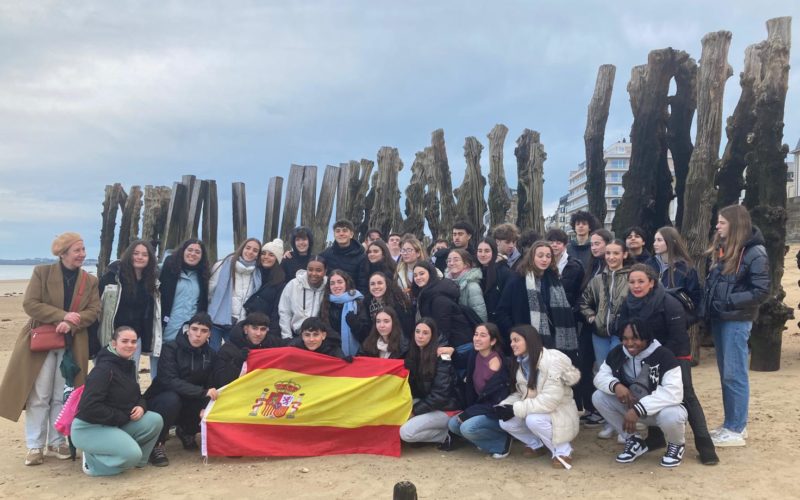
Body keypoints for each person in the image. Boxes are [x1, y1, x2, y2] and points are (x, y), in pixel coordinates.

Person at [0, 232, 101, 466]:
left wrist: (71, 323)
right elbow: (30, 304)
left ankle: (56, 442)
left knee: (61, 395)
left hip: (73, 343)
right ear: (63, 253)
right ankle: (34, 446)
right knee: (39, 395)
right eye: (77, 250)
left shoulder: (90, 280)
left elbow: (94, 311)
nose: (82, 254)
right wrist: (62, 317)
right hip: (41, 342)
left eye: (83, 250)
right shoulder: (42, 273)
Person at [616, 264, 719, 465]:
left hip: (676, 353)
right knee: (649, 392)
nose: (636, 286)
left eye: (641, 281)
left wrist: (658, 358)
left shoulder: (669, 303)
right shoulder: (628, 303)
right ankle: (656, 438)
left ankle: (705, 446)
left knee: (687, 395)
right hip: (646, 354)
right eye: (632, 282)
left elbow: (678, 337)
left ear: (652, 283)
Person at [702, 205, 770, 447]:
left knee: (735, 373)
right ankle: (731, 423)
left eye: (721, 222)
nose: (717, 226)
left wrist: (729, 301)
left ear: (735, 223)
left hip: (737, 320)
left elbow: (761, 290)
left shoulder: (755, 252)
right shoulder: (724, 250)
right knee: (726, 374)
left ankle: (737, 428)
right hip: (721, 318)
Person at [592, 319, 687, 467]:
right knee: (598, 397)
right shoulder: (617, 353)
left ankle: (676, 445)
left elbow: (674, 392)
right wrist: (615, 385)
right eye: (625, 338)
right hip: (632, 408)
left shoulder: (664, 355)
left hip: (657, 412)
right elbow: (600, 377)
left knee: (673, 414)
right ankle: (633, 440)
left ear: (647, 338)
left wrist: (638, 409)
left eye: (635, 338)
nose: (629, 343)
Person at [71, 326, 164, 476]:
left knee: (155, 420)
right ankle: (92, 462)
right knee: (132, 454)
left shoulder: (127, 365)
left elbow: (136, 396)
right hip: (89, 428)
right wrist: (122, 417)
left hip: (112, 422)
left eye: (133, 342)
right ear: (114, 343)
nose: (130, 345)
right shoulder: (103, 370)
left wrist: (141, 406)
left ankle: (137, 462)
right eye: (125, 341)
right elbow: (89, 407)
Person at [496, 325, 580, 468]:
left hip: (559, 411)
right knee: (505, 421)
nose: (512, 344)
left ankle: (563, 450)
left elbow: (550, 401)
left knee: (533, 420)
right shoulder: (522, 363)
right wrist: (505, 405)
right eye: (511, 341)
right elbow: (523, 393)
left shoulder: (553, 361)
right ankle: (537, 444)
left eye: (516, 340)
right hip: (538, 408)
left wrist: (515, 409)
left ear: (529, 340)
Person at [145, 313, 218, 466]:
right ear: (188, 329)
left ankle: (187, 431)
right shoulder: (170, 348)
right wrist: (201, 392)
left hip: (190, 399)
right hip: (161, 400)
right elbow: (169, 380)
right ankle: (156, 444)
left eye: (203, 331)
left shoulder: (211, 354)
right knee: (173, 398)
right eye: (195, 329)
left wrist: (207, 402)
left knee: (210, 398)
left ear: (209, 334)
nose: (198, 335)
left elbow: (211, 384)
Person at [579, 238, 631, 440]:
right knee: (602, 375)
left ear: (624, 255)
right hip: (599, 334)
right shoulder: (598, 279)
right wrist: (592, 317)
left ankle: (627, 423)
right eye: (608, 253)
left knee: (622, 376)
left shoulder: (631, 277)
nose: (611, 257)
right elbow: (584, 302)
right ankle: (610, 421)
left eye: (616, 253)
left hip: (622, 336)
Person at [496, 241, 579, 358]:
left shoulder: (554, 279)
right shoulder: (518, 280)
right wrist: (516, 333)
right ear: (532, 257)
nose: (544, 259)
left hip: (555, 342)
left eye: (548, 256)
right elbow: (502, 312)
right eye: (540, 256)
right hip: (526, 340)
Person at [444, 323, 510, 457]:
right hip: (480, 407)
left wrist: (468, 413)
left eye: (483, 335)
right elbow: (460, 361)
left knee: (467, 428)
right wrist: (451, 352)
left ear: (493, 341)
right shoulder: (476, 353)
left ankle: (502, 443)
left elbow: (496, 402)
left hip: (496, 412)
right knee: (453, 424)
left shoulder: (497, 364)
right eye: (476, 334)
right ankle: (487, 440)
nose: (477, 338)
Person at [97, 240, 162, 375]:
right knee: (107, 375)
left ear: (150, 259)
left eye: (144, 255)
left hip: (134, 337)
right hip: (112, 334)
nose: (140, 257)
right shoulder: (112, 277)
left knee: (130, 375)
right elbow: (98, 306)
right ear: (128, 255)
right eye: (136, 253)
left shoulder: (152, 282)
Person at [399, 318, 461, 447]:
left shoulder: (443, 356)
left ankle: (448, 435)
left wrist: (414, 412)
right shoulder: (413, 353)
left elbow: (440, 395)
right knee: (399, 414)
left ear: (433, 335)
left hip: (446, 408)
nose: (420, 336)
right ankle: (425, 434)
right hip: (429, 404)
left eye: (425, 333)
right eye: (418, 331)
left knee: (406, 433)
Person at [157, 239, 209, 379]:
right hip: (166, 326)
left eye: (197, 252)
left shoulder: (202, 275)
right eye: (190, 250)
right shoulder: (167, 268)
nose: (193, 254)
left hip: (189, 331)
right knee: (160, 371)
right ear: (182, 251)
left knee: (182, 372)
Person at [207, 238, 262, 351]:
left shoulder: (257, 273)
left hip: (238, 323)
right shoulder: (223, 265)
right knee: (212, 354)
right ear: (242, 248)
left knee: (231, 356)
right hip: (216, 320)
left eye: (255, 250)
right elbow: (210, 290)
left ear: (258, 254)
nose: (250, 252)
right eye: (248, 248)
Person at [412, 261, 473, 350]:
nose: (418, 277)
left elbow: (442, 328)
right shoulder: (426, 293)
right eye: (415, 275)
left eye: (422, 274)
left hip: (457, 345)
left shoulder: (439, 298)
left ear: (431, 274)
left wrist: (437, 349)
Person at [211, 312, 282, 388]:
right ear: (246, 329)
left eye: (263, 329)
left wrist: (295, 342)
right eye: (254, 328)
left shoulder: (270, 341)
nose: (258, 333)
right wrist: (237, 362)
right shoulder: (227, 349)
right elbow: (220, 381)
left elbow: (287, 344)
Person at [647, 226, 702, 320]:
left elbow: (694, 299)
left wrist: (684, 319)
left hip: (675, 320)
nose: (655, 243)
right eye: (655, 240)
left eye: (659, 240)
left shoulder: (686, 269)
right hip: (650, 319)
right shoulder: (648, 265)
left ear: (672, 242)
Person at [318, 269, 370, 358]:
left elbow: (365, 334)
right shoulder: (326, 304)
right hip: (332, 353)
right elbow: (323, 331)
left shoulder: (358, 302)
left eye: (339, 282)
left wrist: (355, 324)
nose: (336, 286)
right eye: (332, 283)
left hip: (357, 355)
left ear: (346, 283)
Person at [278, 257, 328, 341]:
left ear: (325, 271)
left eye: (318, 270)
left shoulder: (329, 286)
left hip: (319, 337)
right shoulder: (293, 285)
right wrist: (287, 337)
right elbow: (284, 312)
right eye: (310, 270)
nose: (314, 273)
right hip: (296, 336)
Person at [320, 219, 370, 295]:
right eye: (338, 231)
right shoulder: (326, 254)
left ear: (351, 234)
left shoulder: (361, 257)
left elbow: (363, 285)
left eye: (345, 231)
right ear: (334, 234)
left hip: (351, 300)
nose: (341, 234)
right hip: (330, 299)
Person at [243, 238, 286, 322]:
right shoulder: (253, 272)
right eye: (263, 253)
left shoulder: (280, 281)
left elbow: (276, 310)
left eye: (271, 255)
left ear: (277, 259)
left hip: (262, 325)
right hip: (244, 319)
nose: (266, 257)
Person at [364, 271, 415, 339]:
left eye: (380, 283)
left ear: (386, 284)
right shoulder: (367, 303)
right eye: (372, 284)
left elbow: (406, 328)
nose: (376, 286)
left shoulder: (398, 303)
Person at [475, 238, 511, 326]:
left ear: (494, 252)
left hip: (499, 323)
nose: (482, 254)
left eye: (487, 251)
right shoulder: (475, 272)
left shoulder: (503, 272)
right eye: (480, 251)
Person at [445, 249, 488, 322]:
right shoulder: (446, 283)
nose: (451, 263)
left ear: (466, 264)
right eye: (449, 261)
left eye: (456, 260)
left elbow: (480, 315)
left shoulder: (472, 287)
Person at [545, 228, 585, 306]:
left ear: (565, 245)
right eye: (551, 242)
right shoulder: (542, 265)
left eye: (558, 243)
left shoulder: (575, 266)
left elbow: (580, 292)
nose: (554, 245)